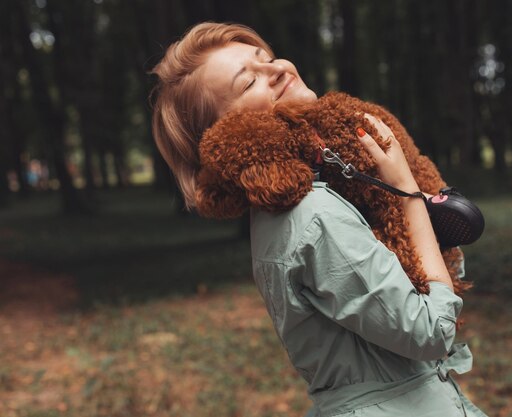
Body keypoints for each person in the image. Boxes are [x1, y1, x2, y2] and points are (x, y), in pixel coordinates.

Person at [151, 22, 488, 417]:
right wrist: (408, 192)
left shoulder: (290, 202)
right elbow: (431, 330)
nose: (277, 70)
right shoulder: (310, 213)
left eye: (268, 58)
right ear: (226, 132)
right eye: (247, 83)